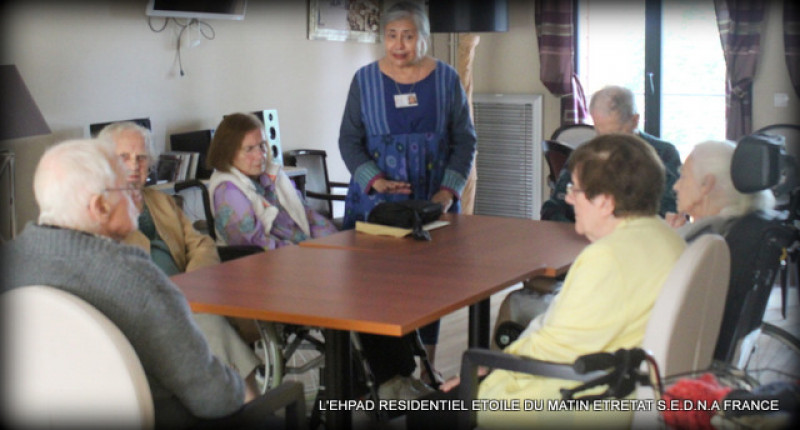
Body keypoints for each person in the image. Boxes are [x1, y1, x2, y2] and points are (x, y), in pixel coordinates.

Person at [410, 134, 686, 429]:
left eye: (575, 190)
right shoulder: (666, 237)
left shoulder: (607, 258)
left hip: (579, 397)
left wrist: (490, 366)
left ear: (604, 202)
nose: (568, 199)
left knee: (428, 412)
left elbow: (553, 348)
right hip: (630, 386)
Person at [0, 140, 249, 429]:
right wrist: (239, 387)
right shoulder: (134, 279)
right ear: (100, 206)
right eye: (129, 190)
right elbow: (214, 399)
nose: (139, 199)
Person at [337, 0, 477, 383]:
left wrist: (448, 192)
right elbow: (349, 141)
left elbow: (465, 141)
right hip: (377, 203)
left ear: (424, 38)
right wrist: (375, 180)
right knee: (376, 287)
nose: (399, 45)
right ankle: (387, 372)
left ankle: (427, 366)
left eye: (409, 36)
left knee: (431, 288)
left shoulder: (447, 79)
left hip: (434, 203)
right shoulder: (364, 80)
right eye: (392, 36)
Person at [97, 121, 262, 396]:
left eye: (141, 158)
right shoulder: (98, 210)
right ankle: (251, 401)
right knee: (209, 323)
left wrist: (191, 282)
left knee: (235, 306)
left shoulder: (160, 200)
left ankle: (242, 398)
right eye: (123, 157)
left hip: (188, 293)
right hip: (148, 308)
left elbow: (201, 244)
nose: (134, 165)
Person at [541, 85, 682, 222]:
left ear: (635, 121)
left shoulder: (664, 155)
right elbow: (554, 207)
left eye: (616, 134)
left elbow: (670, 211)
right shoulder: (585, 155)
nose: (608, 144)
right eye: (600, 133)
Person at [206, 112, 338, 249]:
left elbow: (307, 215)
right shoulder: (228, 191)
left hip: (304, 254)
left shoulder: (274, 176)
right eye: (249, 149)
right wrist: (306, 253)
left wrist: (334, 242)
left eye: (262, 145)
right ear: (228, 153)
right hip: (273, 263)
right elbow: (253, 245)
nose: (260, 155)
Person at [666, 140, 775, 241]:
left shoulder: (704, 242)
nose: (676, 186)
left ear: (706, 184)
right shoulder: (740, 230)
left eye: (684, 176)